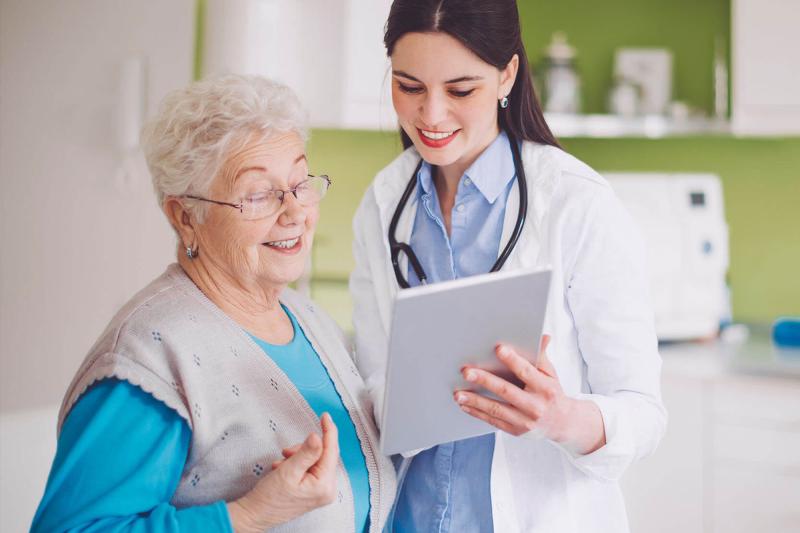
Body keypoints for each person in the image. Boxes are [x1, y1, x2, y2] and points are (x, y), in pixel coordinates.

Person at [349, 1, 667, 531]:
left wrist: (560, 418)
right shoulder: (383, 204)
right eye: (409, 86)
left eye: (460, 90)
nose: (430, 115)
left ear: (507, 75)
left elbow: (643, 413)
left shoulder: (575, 203)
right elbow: (375, 379)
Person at [31, 74, 395, 533]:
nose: (295, 211)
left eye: (301, 183)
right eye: (259, 194)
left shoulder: (312, 321)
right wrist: (250, 514)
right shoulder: (152, 357)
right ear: (186, 217)